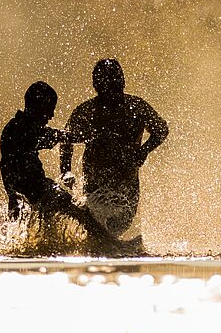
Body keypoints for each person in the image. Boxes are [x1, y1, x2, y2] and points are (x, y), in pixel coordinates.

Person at [60, 59, 168, 249]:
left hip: (127, 182)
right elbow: (66, 139)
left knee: (120, 224)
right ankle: (108, 252)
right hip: (95, 182)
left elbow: (161, 129)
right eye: (106, 84)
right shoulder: (87, 111)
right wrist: (65, 170)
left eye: (115, 82)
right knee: (100, 226)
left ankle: (113, 250)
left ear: (123, 82)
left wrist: (144, 151)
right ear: (96, 86)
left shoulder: (136, 107)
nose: (111, 88)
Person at [0, 81, 119, 248]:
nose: (51, 115)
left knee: (51, 225)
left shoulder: (13, 127)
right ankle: (110, 244)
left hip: (31, 190)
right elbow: (58, 136)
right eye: (49, 109)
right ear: (38, 107)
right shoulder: (24, 130)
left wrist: (11, 194)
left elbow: (4, 165)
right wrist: (91, 137)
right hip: (39, 189)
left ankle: (52, 247)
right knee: (82, 212)